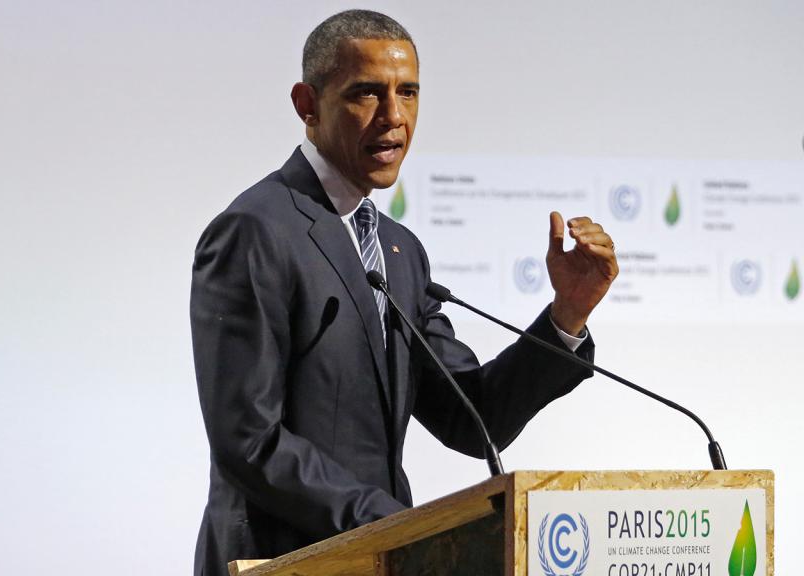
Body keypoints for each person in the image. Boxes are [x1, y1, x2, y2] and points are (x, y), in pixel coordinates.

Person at [189, 9, 617, 576]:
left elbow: (474, 416)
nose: (394, 117)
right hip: (281, 559)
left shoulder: (398, 249)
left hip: (379, 559)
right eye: (367, 93)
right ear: (307, 104)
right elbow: (249, 441)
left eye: (408, 92)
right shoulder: (257, 231)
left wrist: (567, 313)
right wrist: (394, 525)